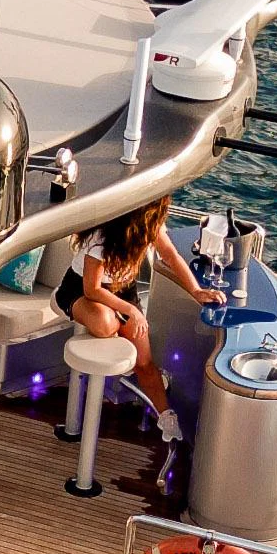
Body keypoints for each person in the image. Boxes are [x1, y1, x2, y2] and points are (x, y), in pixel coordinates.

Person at [58, 197, 205, 498]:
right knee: (105, 323)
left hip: (122, 294)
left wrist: (197, 291)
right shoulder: (101, 236)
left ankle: (166, 418)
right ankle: (114, 321)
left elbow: (172, 257)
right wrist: (131, 311)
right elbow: (91, 289)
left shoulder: (150, 228)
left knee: (144, 363)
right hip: (81, 290)